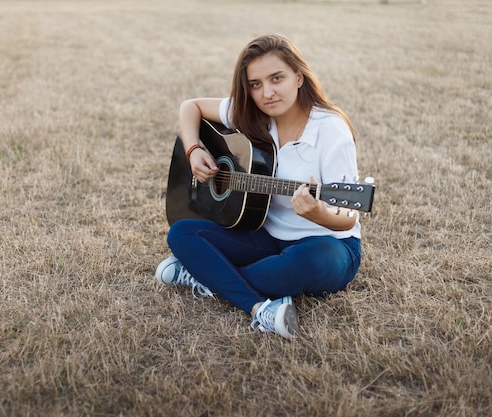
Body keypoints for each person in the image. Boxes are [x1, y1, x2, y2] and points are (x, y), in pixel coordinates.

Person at [155, 34, 362, 340]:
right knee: (182, 232)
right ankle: (258, 308)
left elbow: (349, 216)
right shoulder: (252, 114)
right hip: (265, 236)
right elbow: (191, 106)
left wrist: (318, 214)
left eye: (277, 78)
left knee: (305, 264)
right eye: (255, 84)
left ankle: (205, 273)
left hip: (327, 244)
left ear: (298, 77)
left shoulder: (331, 131)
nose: (267, 92)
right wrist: (193, 149)